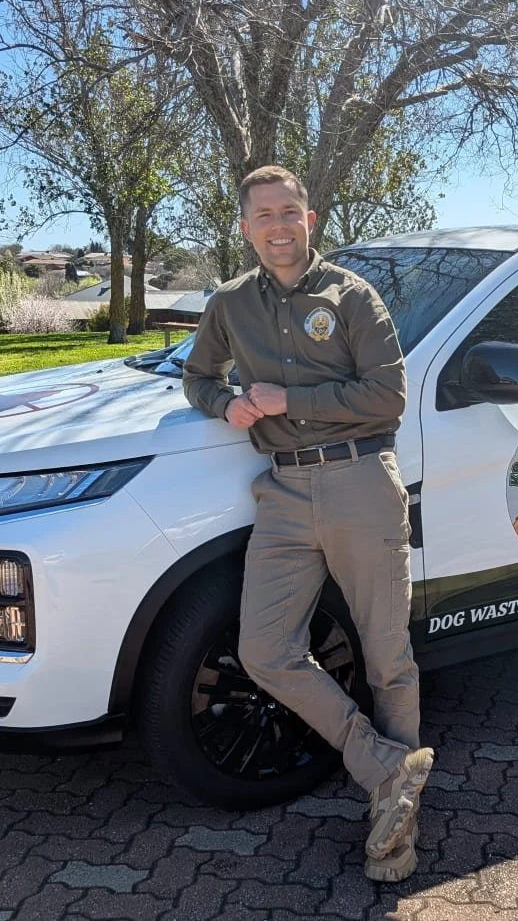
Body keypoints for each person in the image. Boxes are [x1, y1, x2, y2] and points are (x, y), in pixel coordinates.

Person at [183, 165, 432, 882]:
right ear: (245, 228)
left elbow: (387, 396)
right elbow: (199, 375)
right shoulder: (230, 303)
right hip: (285, 494)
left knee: (387, 656)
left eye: (289, 211)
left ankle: (398, 825)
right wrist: (221, 404)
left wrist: (285, 396)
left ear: (311, 218)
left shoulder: (353, 296)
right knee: (264, 649)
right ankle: (386, 766)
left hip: (360, 479)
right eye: (264, 215)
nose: (279, 225)